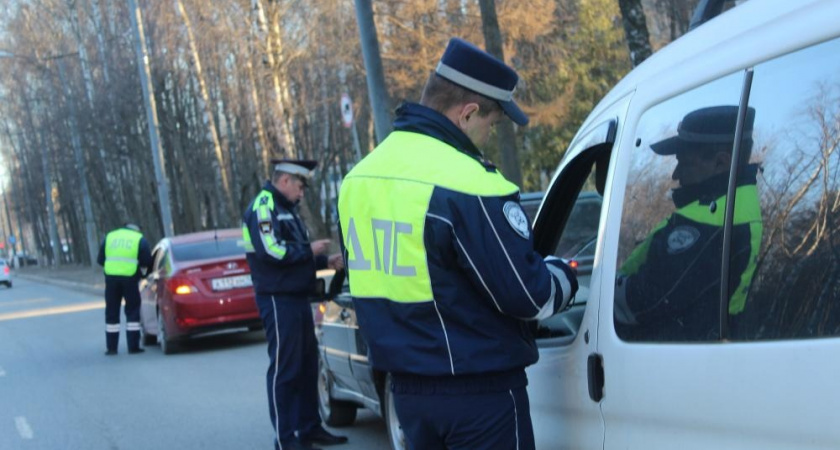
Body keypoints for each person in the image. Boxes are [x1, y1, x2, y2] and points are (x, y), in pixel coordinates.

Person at [337, 38, 578, 450]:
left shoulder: (358, 180)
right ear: (467, 114)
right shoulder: (469, 183)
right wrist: (563, 277)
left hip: (407, 395)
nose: (489, 136)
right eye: (492, 124)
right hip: (478, 395)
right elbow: (528, 296)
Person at [615, 105, 763, 341]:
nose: (675, 174)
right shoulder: (735, 209)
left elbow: (643, 301)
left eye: (684, 163)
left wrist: (599, 291)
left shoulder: (710, 223)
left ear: (721, 163)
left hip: (667, 355)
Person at [242, 159, 347, 450]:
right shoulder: (264, 207)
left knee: (307, 366)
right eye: (300, 186)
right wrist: (309, 250)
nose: (302, 193)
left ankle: (309, 429)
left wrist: (324, 261)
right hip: (278, 299)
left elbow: (292, 254)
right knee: (285, 369)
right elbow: (271, 251)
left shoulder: (286, 208)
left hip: (297, 297)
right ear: (285, 181)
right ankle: (285, 439)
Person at [96, 223, 153, 355]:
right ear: (137, 230)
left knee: (111, 312)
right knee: (132, 311)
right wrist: (141, 272)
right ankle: (133, 347)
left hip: (111, 279)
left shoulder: (110, 237)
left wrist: (114, 267)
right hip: (130, 278)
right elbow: (147, 261)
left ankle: (111, 348)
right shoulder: (139, 239)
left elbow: (100, 260)